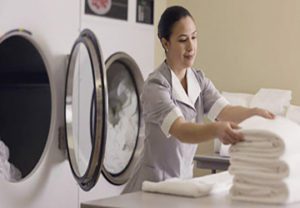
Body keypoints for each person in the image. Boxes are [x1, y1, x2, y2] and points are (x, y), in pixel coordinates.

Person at [122, 5, 275, 193]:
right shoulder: (156, 85)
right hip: (151, 186)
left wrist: (254, 113)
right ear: (165, 43)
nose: (191, 47)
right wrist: (216, 129)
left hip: (182, 185)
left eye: (194, 37)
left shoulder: (199, 80)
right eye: (183, 40)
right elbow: (180, 129)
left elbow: (225, 112)